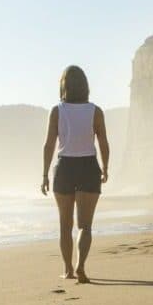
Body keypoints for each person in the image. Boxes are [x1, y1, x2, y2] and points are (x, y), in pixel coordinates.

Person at [41, 65, 109, 283]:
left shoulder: (57, 111)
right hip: (89, 166)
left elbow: (49, 145)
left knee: (65, 225)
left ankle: (68, 269)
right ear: (85, 86)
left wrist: (44, 175)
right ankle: (81, 267)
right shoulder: (95, 111)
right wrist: (105, 168)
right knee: (85, 226)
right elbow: (104, 143)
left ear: (64, 86)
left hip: (64, 168)